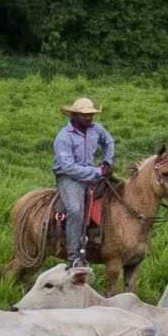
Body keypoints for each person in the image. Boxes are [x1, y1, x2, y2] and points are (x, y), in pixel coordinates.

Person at [51, 94, 119, 270]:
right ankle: (73, 256)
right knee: (75, 210)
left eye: (91, 115)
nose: (88, 118)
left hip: (93, 174)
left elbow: (109, 142)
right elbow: (69, 168)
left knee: (117, 196)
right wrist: (97, 171)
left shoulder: (96, 129)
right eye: (84, 115)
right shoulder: (64, 137)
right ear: (73, 116)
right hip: (69, 178)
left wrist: (107, 161)